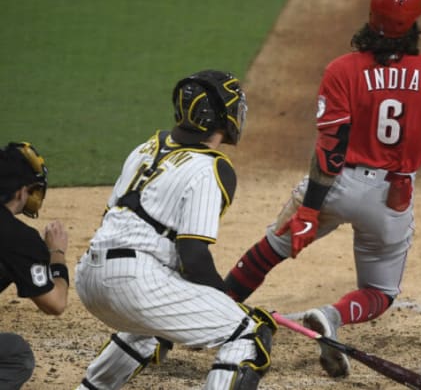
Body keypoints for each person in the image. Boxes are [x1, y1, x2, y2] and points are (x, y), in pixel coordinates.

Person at [224, 0, 421, 379]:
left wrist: (309, 209)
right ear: (412, 27)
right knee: (379, 292)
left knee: (269, 252)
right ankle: (331, 315)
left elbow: (331, 146)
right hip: (389, 200)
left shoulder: (343, 70)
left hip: (335, 186)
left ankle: (205, 314)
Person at [74, 70, 277, 390]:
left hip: (88, 277)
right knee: (249, 331)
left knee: (152, 326)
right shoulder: (212, 167)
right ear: (220, 117)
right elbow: (193, 256)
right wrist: (225, 302)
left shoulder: (144, 149)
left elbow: (112, 221)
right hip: (134, 282)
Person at [0, 141, 70, 390]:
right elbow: (55, 303)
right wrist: (57, 253)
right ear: (21, 192)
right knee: (15, 355)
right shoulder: (17, 238)